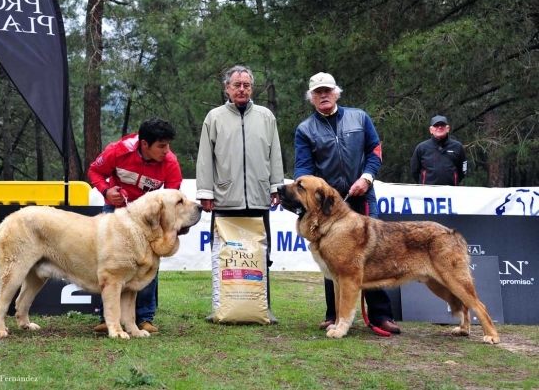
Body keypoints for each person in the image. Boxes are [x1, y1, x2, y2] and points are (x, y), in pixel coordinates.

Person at [293, 72, 400, 334]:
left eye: (327, 90)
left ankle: (381, 316)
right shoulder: (305, 129)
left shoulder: (360, 117)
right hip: (329, 206)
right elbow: (303, 168)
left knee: (375, 254)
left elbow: (375, 152)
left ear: (336, 93)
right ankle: (334, 315)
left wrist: (367, 178)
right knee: (332, 255)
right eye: (318, 92)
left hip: (362, 195)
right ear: (312, 98)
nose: (324, 95)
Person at [196, 65, 284, 322]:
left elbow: (275, 154)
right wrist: (205, 192)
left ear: (251, 88)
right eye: (237, 85)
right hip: (224, 198)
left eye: (246, 85)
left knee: (260, 255)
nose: (242, 89)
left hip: (258, 198)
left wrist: (275, 186)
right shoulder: (214, 117)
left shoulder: (266, 117)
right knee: (223, 256)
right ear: (227, 88)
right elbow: (205, 159)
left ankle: (263, 308)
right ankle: (219, 307)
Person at [87, 117, 182, 334]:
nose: (166, 151)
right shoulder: (117, 151)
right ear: (144, 144)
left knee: (149, 262)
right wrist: (106, 191)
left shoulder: (171, 163)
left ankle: (144, 318)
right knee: (112, 263)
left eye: (168, 145)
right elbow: (95, 171)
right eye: (161, 146)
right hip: (118, 212)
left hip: (150, 219)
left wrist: (171, 226)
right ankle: (107, 318)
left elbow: (173, 199)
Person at [411, 115, 467, 186]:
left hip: (451, 193)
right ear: (431, 130)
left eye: (442, 125)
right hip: (427, 193)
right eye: (436, 125)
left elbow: (462, 171)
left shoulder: (458, 147)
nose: (439, 127)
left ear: (448, 128)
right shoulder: (421, 148)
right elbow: (414, 172)